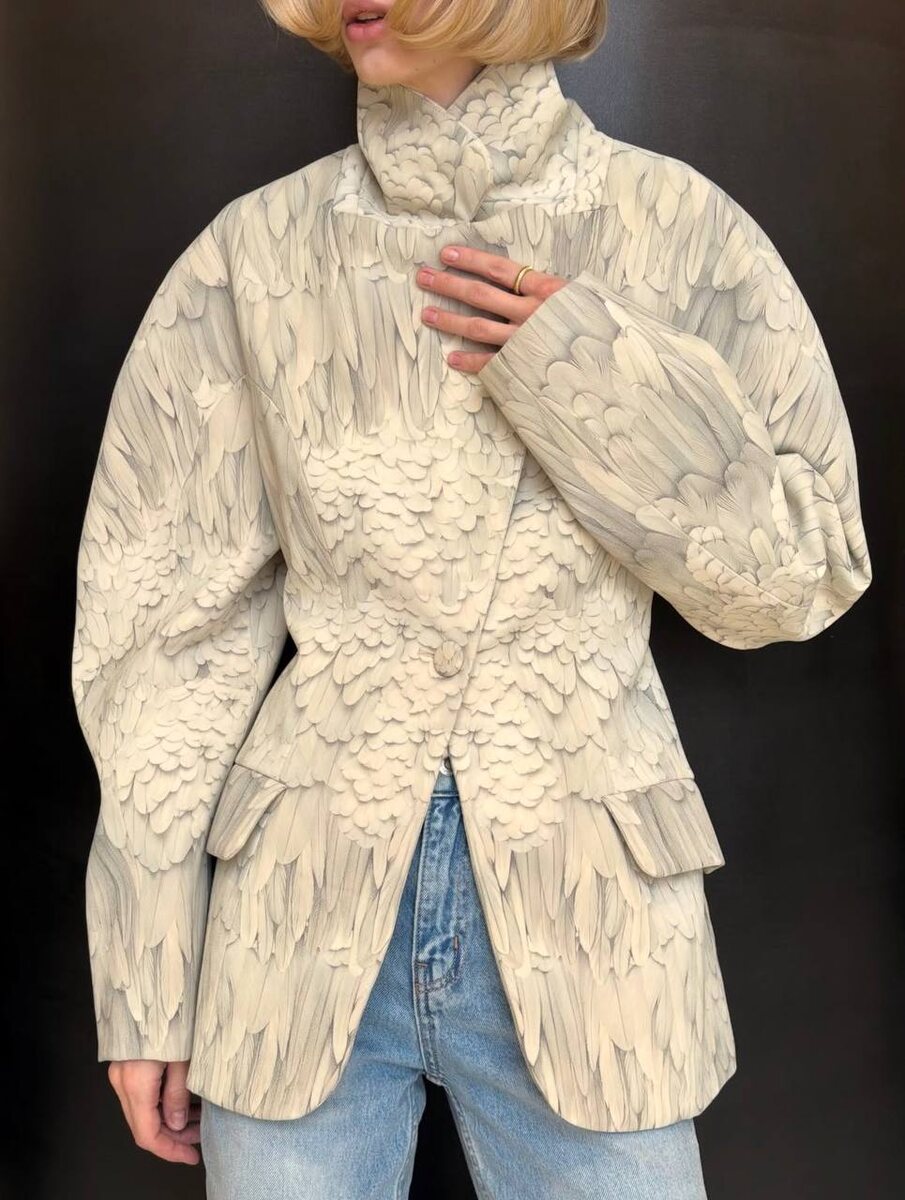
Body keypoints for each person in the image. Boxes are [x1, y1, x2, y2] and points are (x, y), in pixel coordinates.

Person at [70, 1, 872, 1197]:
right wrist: (146, 979)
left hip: (593, 922)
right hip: (292, 928)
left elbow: (796, 579)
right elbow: (163, 643)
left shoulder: (679, 230)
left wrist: (586, 370)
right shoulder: (256, 254)